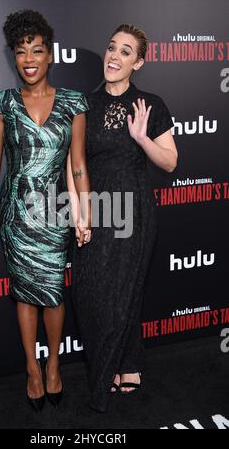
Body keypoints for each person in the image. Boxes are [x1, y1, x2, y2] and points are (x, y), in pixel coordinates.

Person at [0, 9, 91, 413]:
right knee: (26, 295)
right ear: (14, 56)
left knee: (53, 294)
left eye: (37, 50)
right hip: (17, 215)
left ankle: (55, 364)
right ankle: (32, 369)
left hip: (55, 213)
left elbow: (76, 165)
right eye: (21, 51)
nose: (29, 59)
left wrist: (84, 213)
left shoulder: (74, 102)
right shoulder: (2, 102)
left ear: (49, 55)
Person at [72, 24, 178, 413]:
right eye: (112, 47)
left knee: (124, 291)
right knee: (89, 293)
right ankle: (117, 361)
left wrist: (141, 138)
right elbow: (74, 162)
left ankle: (124, 366)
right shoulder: (82, 104)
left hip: (133, 206)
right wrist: (79, 214)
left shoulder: (149, 104)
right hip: (95, 206)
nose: (115, 56)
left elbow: (170, 162)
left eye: (126, 51)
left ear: (139, 62)